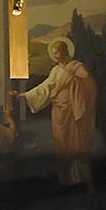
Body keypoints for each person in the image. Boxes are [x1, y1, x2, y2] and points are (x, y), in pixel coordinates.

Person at [13, 37, 98, 188]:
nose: (55, 56)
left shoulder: (76, 66)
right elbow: (45, 87)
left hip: (73, 110)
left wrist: (76, 78)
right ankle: (66, 178)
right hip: (59, 111)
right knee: (61, 143)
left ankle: (81, 178)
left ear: (64, 52)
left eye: (57, 52)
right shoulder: (55, 70)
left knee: (76, 142)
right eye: (53, 53)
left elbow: (88, 82)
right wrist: (24, 95)